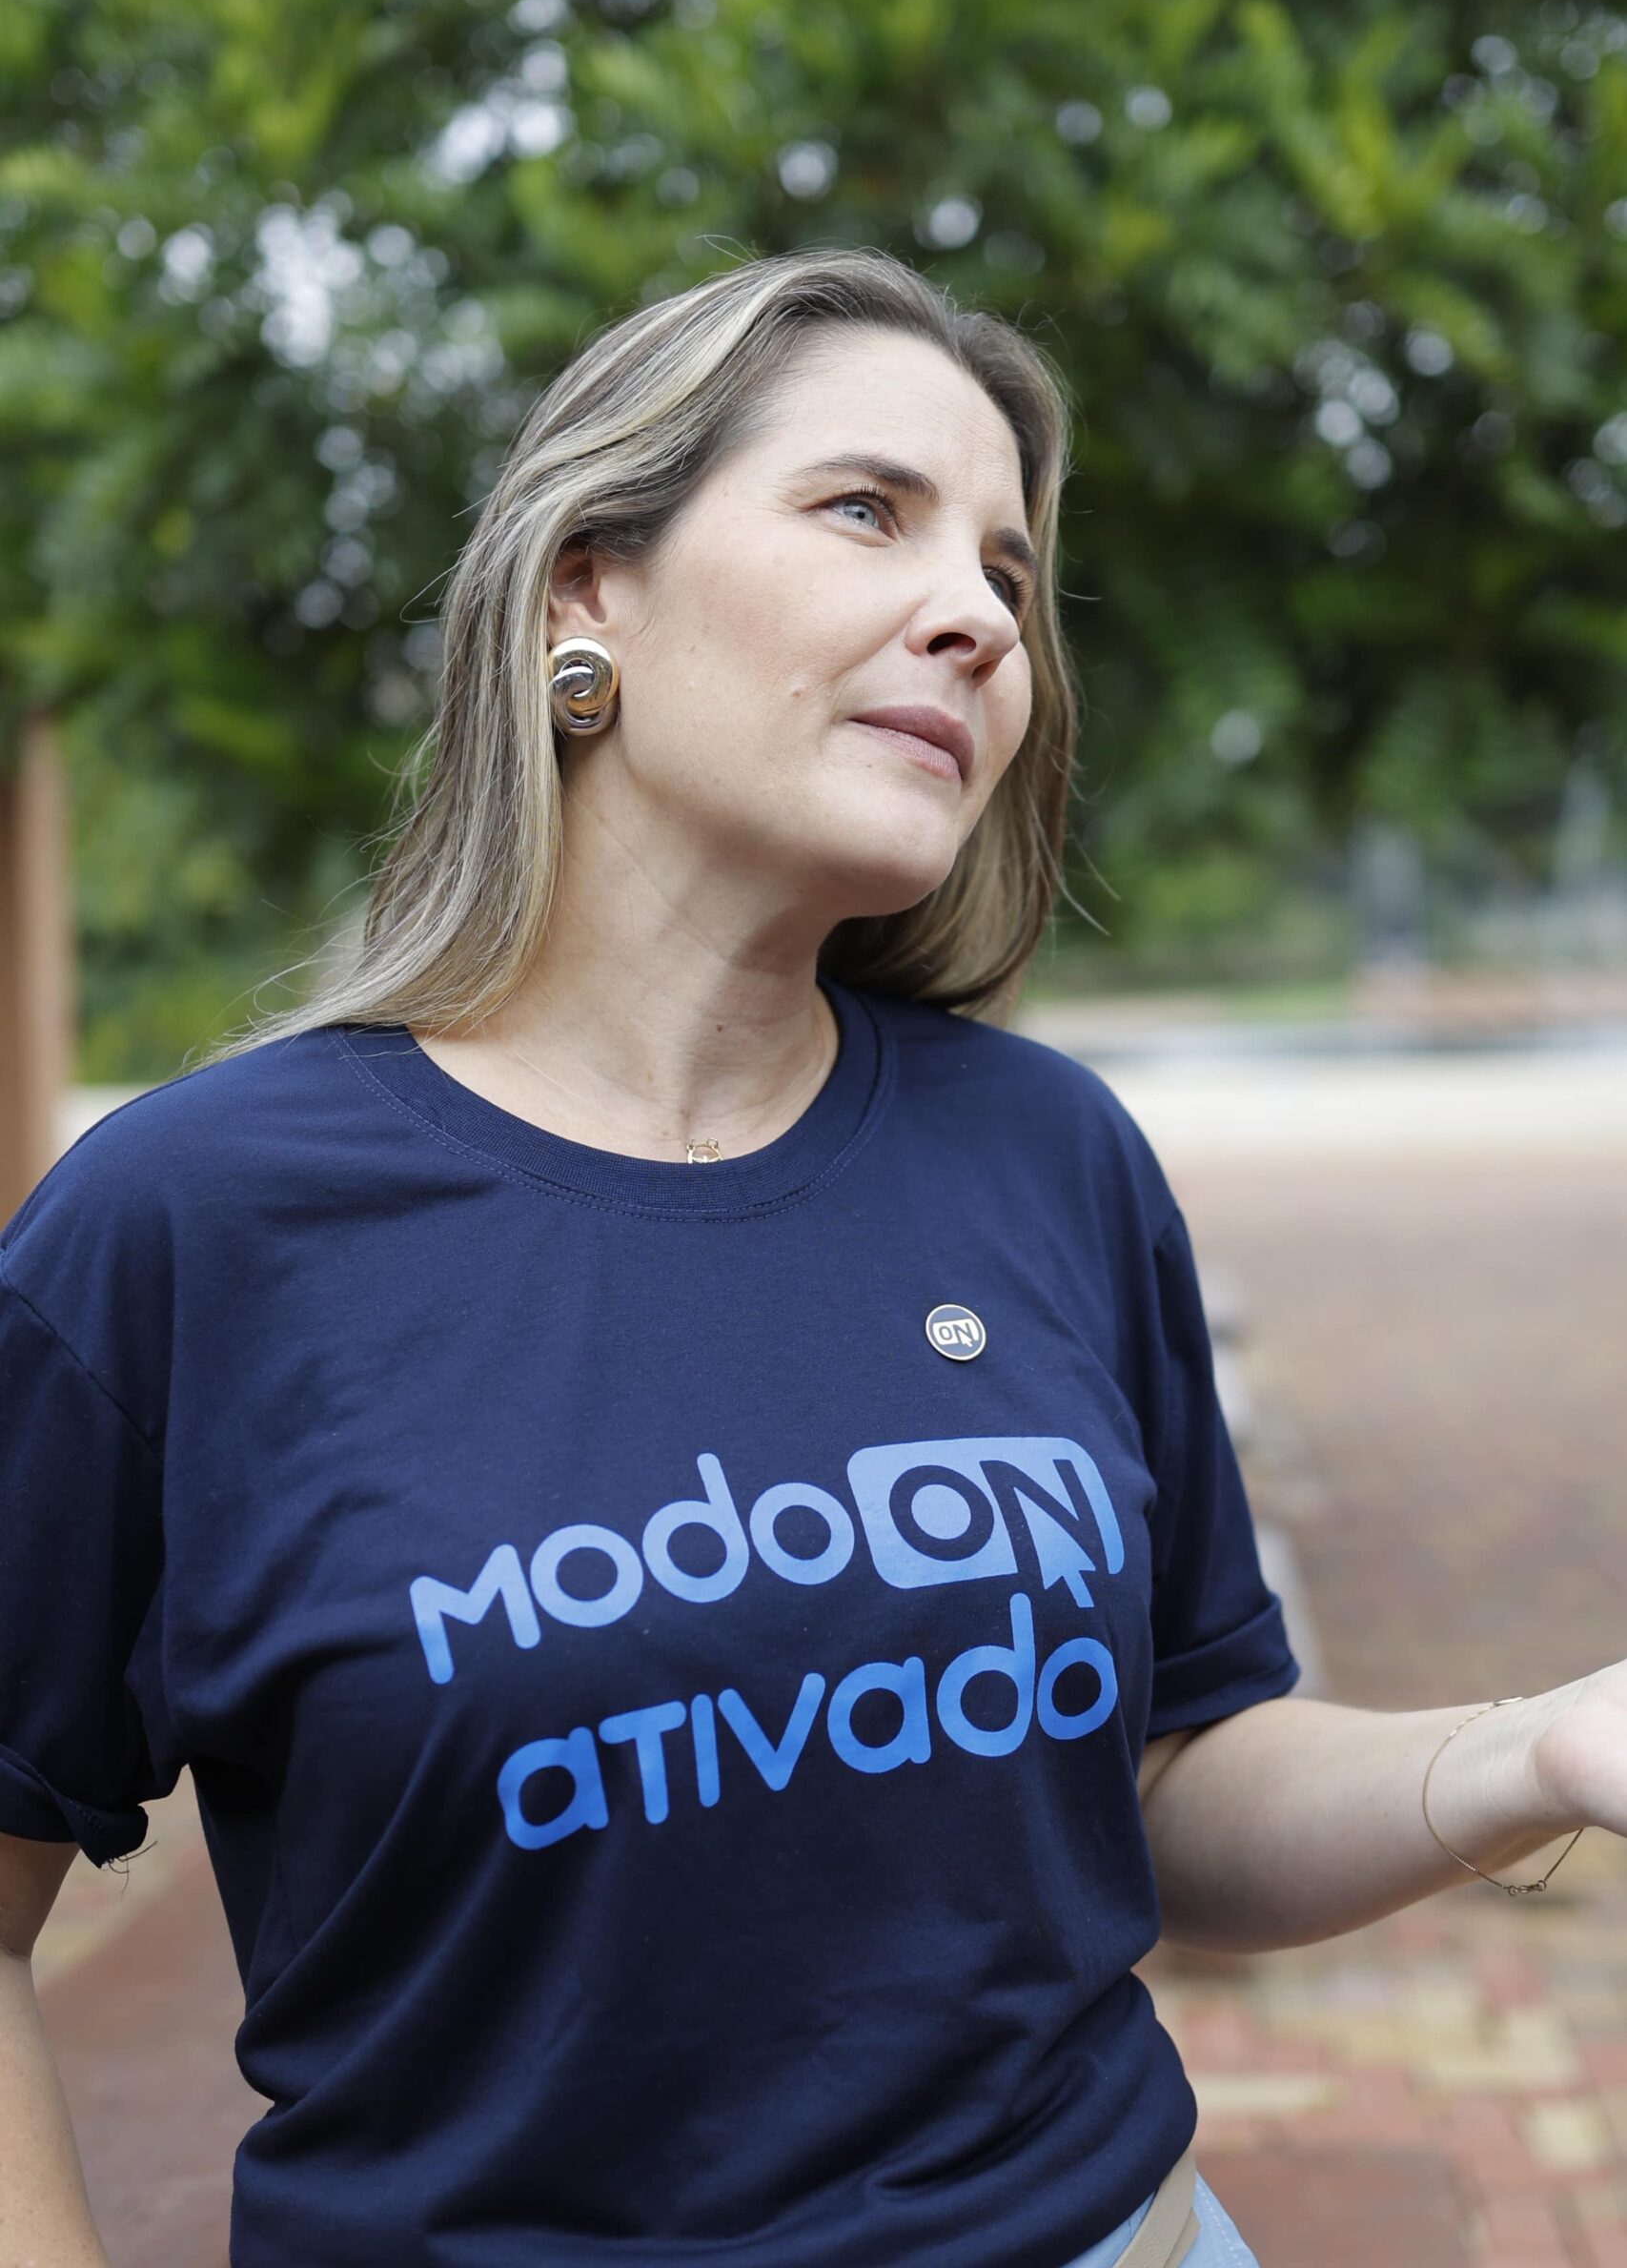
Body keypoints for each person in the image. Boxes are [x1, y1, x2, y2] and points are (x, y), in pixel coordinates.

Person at [0, 247, 1620, 2268]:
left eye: (1008, 574)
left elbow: (1174, 1772)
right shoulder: (189, 1227)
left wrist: (1537, 1749)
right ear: (585, 588)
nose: (979, 616)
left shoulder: (1048, 1159)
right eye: (867, 509)